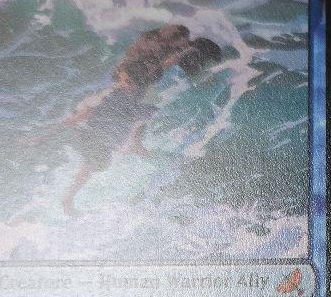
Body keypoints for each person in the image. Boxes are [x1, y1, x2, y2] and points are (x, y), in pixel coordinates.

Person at [22, 24, 219, 215]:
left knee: (106, 145)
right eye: (181, 43)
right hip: (112, 110)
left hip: (121, 101)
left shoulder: (147, 60)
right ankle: (67, 191)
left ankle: (125, 147)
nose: (182, 46)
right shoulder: (136, 77)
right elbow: (156, 71)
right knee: (98, 151)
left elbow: (152, 75)